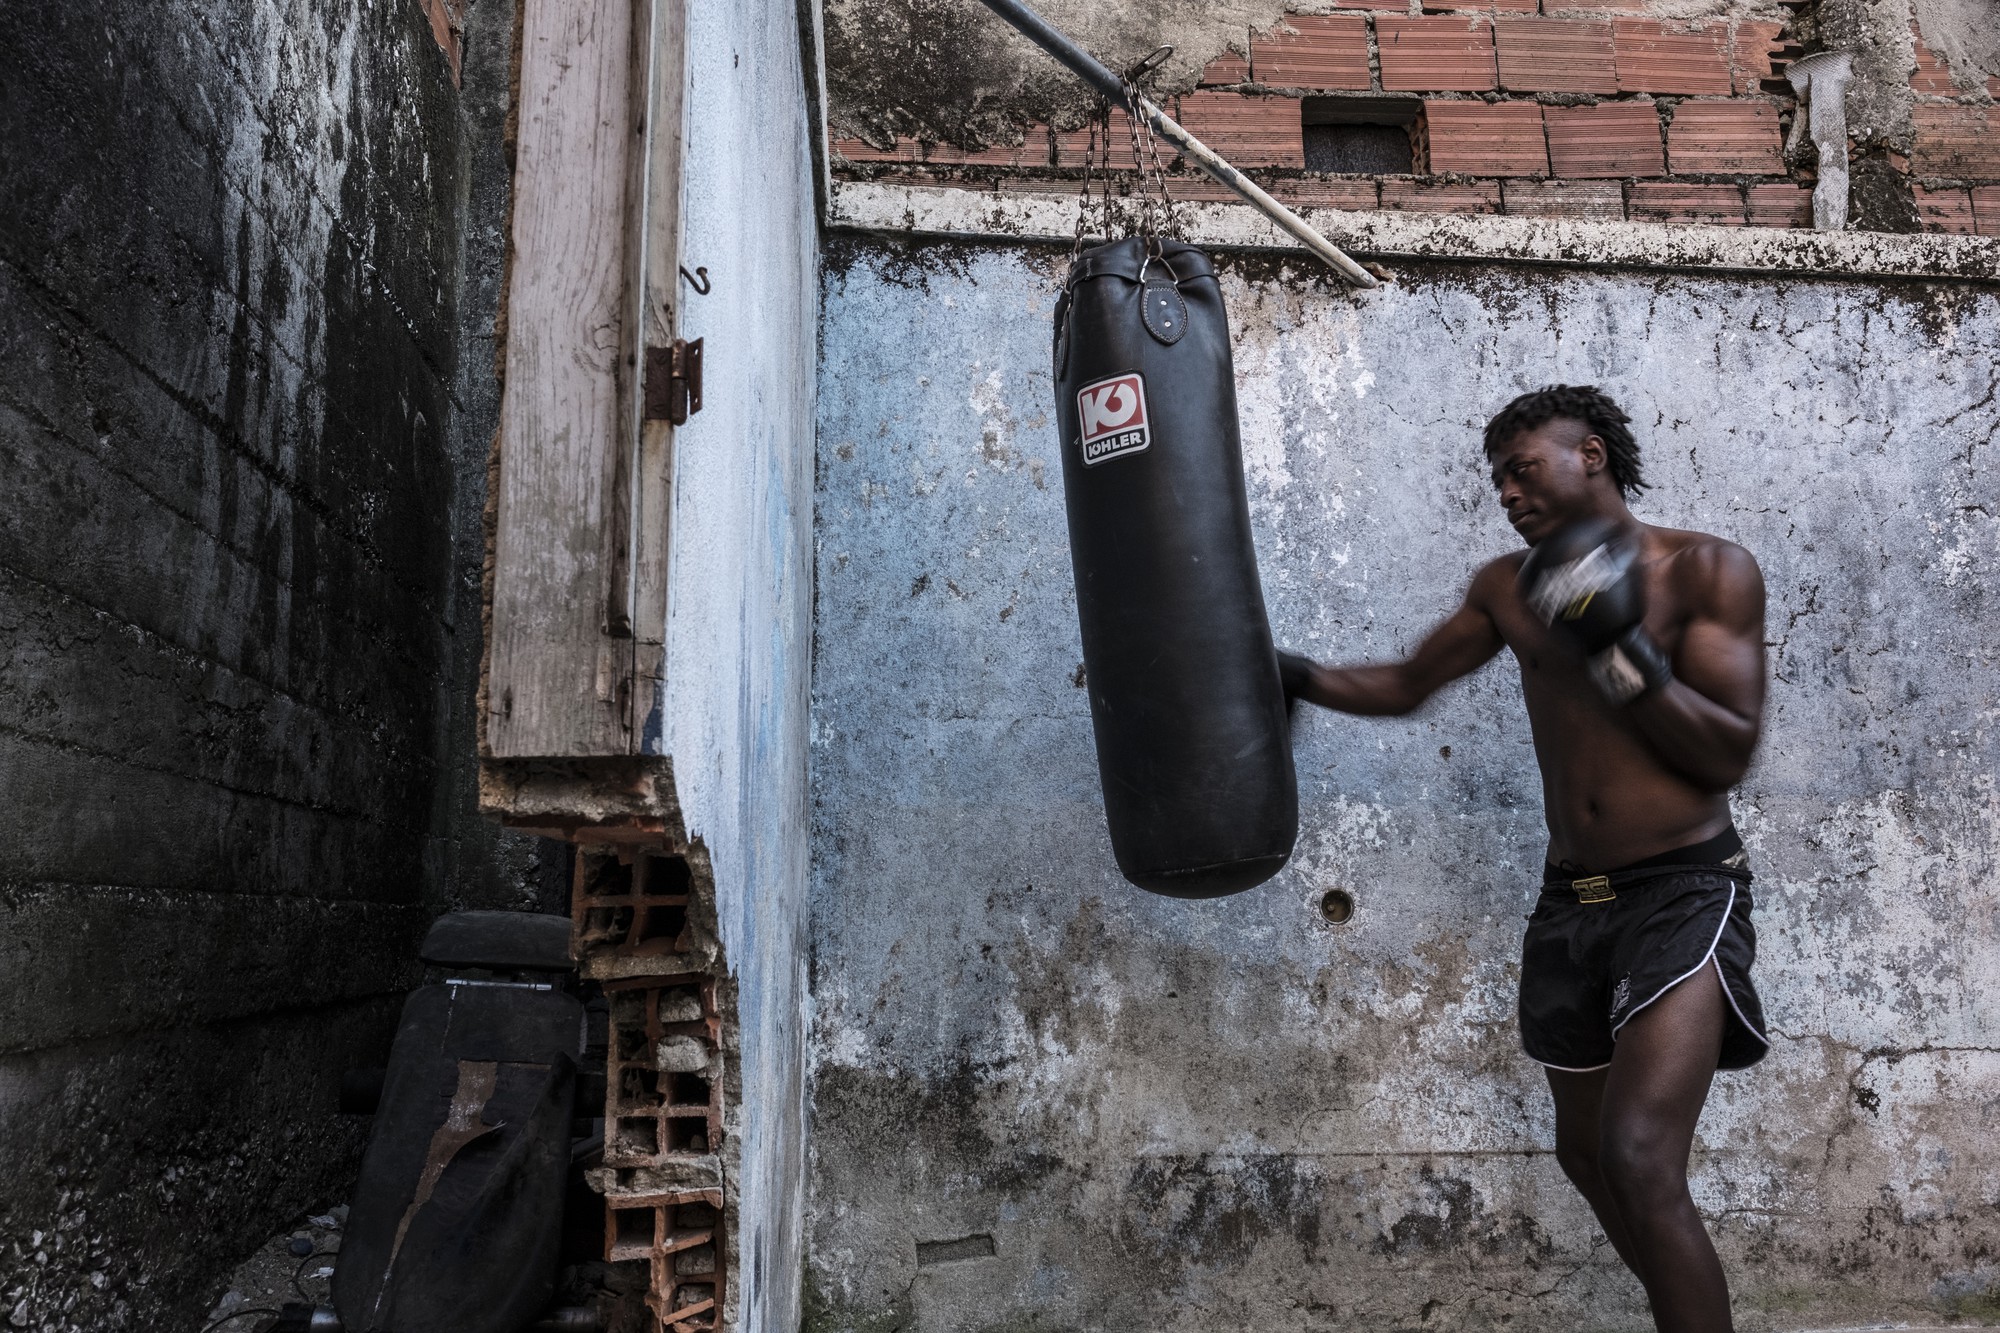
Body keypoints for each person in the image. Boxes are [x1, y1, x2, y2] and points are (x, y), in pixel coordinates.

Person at [1280, 385, 1769, 1333]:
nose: (1506, 491)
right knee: (1586, 1157)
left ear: (1590, 454)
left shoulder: (1707, 569)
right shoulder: (1508, 586)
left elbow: (1725, 754)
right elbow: (1406, 684)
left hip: (1681, 891)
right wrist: (1292, 675)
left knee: (1639, 1156)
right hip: (1569, 902)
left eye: (1522, 468)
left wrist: (1617, 650)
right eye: (1497, 478)